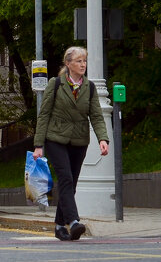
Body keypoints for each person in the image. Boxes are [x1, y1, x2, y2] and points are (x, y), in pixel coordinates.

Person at [34, 46, 110, 241]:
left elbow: (96, 116)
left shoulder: (90, 87)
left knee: (71, 183)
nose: (83, 64)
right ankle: (74, 221)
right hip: (56, 138)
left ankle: (60, 226)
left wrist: (103, 139)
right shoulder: (56, 84)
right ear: (68, 64)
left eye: (84, 61)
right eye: (78, 61)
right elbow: (44, 114)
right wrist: (39, 144)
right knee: (66, 178)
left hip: (79, 140)